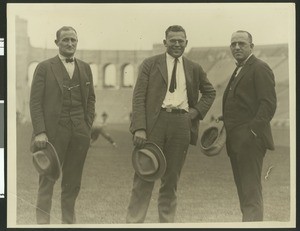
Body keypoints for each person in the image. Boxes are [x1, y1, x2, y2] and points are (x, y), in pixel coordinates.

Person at [126, 25, 216, 223]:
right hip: (154, 124)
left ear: (186, 43)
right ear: (165, 42)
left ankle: (166, 224)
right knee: (144, 176)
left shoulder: (194, 67)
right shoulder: (150, 64)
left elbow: (210, 92)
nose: (176, 44)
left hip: (181, 125)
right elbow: (139, 96)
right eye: (172, 40)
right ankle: (133, 223)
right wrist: (139, 127)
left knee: (171, 180)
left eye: (180, 41)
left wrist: (195, 112)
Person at [29, 26, 95, 224]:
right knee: (47, 181)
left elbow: (91, 99)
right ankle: (43, 224)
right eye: (65, 40)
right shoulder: (44, 67)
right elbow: (35, 101)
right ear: (56, 42)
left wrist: (87, 125)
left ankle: (68, 223)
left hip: (79, 133)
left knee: (73, 183)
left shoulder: (85, 67)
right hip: (53, 134)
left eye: (73, 40)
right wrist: (40, 132)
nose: (70, 43)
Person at [220, 30, 277, 221]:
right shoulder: (240, 68)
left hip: (250, 141)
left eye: (241, 44)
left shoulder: (259, 67)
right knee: (245, 194)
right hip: (237, 141)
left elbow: (268, 104)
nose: (236, 47)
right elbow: (243, 103)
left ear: (251, 47)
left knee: (250, 194)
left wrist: (251, 131)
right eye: (233, 43)